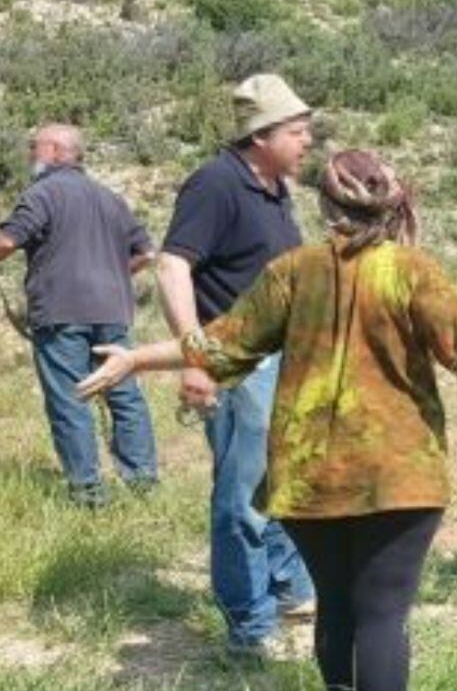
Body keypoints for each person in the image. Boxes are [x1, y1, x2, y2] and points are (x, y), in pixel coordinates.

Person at [78, 149, 457, 691]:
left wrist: (135, 357)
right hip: (399, 478)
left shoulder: (294, 271)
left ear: (324, 205)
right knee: (383, 616)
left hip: (310, 479)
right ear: (392, 204)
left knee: (337, 608)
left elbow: (217, 347)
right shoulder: (411, 271)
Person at [154, 73, 316, 656]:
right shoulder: (215, 184)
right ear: (262, 136)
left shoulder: (273, 189)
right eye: (298, 132)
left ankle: (287, 586)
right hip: (239, 368)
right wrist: (196, 358)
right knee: (241, 498)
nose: (307, 142)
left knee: (278, 483)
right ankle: (250, 628)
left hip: (282, 364)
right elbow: (172, 267)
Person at [0, 123, 157, 509]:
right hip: (113, 310)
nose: (29, 155)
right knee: (124, 395)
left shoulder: (43, 192)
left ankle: (88, 494)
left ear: (55, 150)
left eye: (33, 147)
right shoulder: (110, 198)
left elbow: (6, 241)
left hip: (62, 312)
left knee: (71, 400)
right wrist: (115, 274)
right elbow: (147, 253)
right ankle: (143, 486)